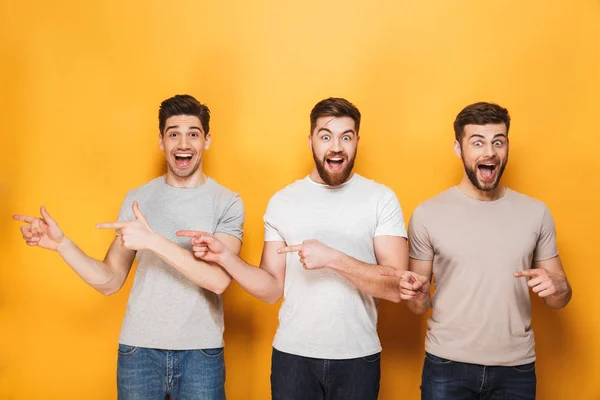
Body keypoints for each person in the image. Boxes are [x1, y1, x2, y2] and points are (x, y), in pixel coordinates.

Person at [13, 94, 244, 400]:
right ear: (161, 141)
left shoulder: (227, 202)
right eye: (173, 134)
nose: (183, 144)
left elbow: (218, 280)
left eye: (193, 134)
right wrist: (61, 245)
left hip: (201, 353)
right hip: (139, 353)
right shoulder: (138, 198)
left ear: (207, 140)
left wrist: (153, 241)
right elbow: (110, 280)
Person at [178, 97, 408, 400]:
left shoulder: (380, 199)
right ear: (311, 140)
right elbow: (272, 288)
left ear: (357, 141)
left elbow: (395, 287)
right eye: (326, 136)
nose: (336, 147)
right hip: (293, 359)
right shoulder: (284, 202)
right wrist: (225, 256)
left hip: (358, 357)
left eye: (346, 137)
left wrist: (333, 259)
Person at [395, 102, 572, 399]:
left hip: (516, 369)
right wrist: (415, 292)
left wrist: (558, 286)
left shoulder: (536, 213)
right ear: (458, 148)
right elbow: (417, 305)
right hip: (446, 366)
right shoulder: (428, 214)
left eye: (497, 142)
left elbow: (561, 299)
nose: (489, 152)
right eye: (477, 142)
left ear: (506, 147)